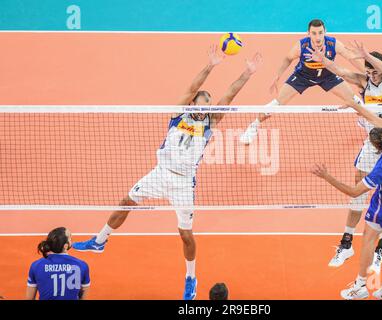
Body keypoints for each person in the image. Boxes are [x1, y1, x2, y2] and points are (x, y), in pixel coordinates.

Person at [72, 45, 262, 300]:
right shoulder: (178, 114)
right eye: (201, 102)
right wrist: (211, 66)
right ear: (193, 102)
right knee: (126, 202)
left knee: (185, 234)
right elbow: (192, 86)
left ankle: (191, 278)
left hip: (184, 184)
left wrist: (247, 73)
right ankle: (100, 240)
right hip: (160, 173)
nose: (204, 107)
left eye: (207, 104)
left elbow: (229, 95)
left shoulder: (210, 123)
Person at [305, 41, 382, 271]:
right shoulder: (364, 82)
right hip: (373, 143)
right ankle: (347, 242)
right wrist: (323, 59)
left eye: (374, 70)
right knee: (358, 190)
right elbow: (340, 71)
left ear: (381, 68)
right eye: (368, 70)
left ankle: (380, 250)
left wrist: (368, 56)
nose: (371, 74)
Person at [311, 98, 382, 300]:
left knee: (369, 238)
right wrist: (355, 106)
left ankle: (361, 286)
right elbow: (375, 118)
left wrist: (327, 176)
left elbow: (354, 192)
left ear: (378, 149)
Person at [239, 18, 364, 144]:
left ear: (325, 31)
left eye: (320, 32)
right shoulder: (302, 45)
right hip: (302, 76)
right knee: (276, 104)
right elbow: (288, 58)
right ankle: (253, 127)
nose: (318, 37)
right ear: (308, 33)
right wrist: (277, 76)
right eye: (314, 33)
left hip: (328, 75)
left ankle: (367, 123)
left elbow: (351, 58)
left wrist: (365, 72)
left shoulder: (333, 44)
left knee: (354, 100)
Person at [26, 227, 90, 300]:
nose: (72, 239)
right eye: (70, 237)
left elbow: (29, 298)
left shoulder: (36, 266)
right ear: (65, 246)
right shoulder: (82, 265)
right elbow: (83, 297)